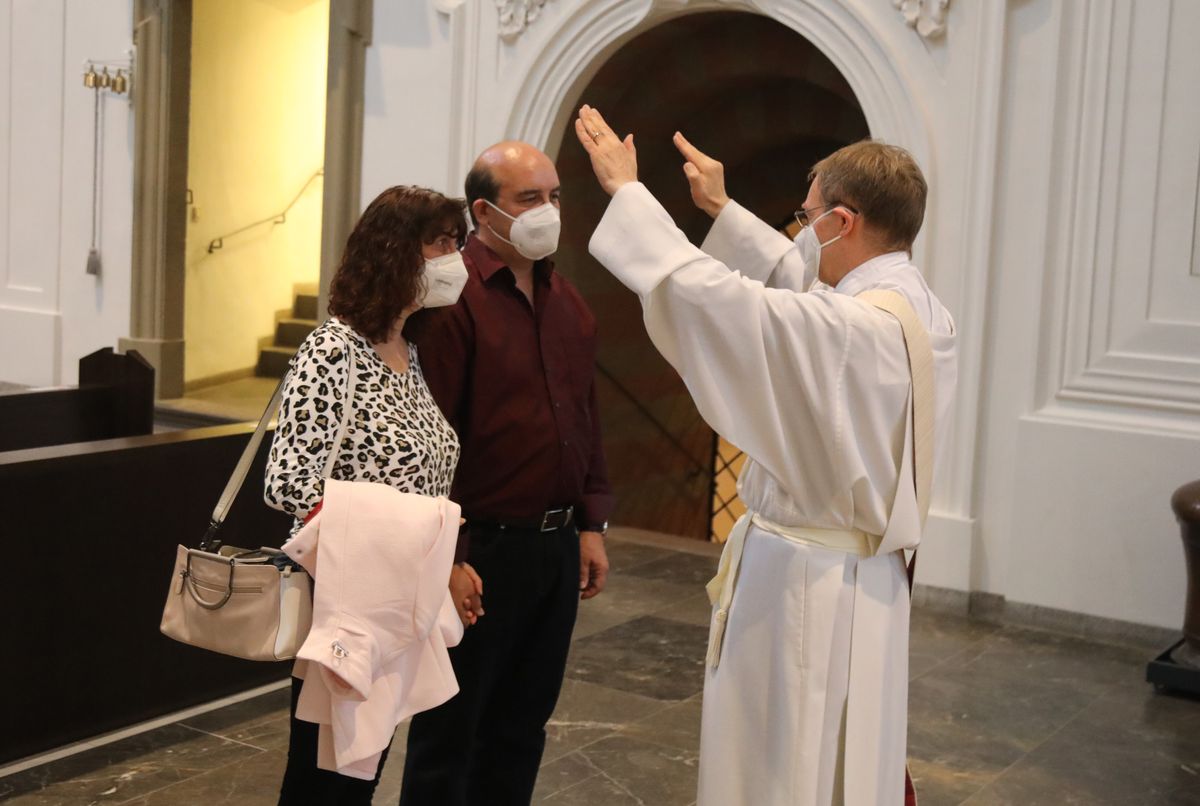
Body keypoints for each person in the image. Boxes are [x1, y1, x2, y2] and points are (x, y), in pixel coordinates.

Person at [574, 105, 957, 805]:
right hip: (868, 575)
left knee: (782, 760)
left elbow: (732, 304)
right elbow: (799, 292)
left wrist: (630, 195)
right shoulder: (917, 309)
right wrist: (721, 208)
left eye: (806, 215)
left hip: (805, 582)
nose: (800, 229)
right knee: (844, 754)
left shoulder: (851, 326)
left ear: (842, 222)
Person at [400, 141, 614, 806]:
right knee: (451, 737)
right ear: (484, 212)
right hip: (481, 550)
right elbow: (430, 440)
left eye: (554, 196)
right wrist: (451, 557)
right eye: (530, 199)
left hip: (552, 547)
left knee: (522, 730)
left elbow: (583, 415)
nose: (548, 211)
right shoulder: (453, 302)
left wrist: (590, 521)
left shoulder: (566, 300)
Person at [264, 185, 482, 805]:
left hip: (394, 605)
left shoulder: (406, 350)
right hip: (347, 603)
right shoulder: (333, 349)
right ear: (395, 253)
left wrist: (442, 565)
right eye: (440, 242)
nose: (454, 257)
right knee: (323, 782)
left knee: (355, 779)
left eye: (457, 242)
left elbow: (420, 481)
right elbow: (288, 482)